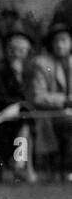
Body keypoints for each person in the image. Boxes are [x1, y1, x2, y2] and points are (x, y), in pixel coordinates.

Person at [0, 23, 39, 182]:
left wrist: (18, 78)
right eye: (14, 50)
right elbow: (0, 97)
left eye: (22, 51)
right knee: (26, 120)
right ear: (8, 49)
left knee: (25, 123)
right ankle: (23, 165)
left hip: (17, 117)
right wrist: (20, 104)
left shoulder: (29, 70)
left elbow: (31, 96)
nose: (17, 54)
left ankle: (20, 163)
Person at [30, 20, 72, 181]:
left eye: (64, 40)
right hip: (50, 114)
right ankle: (66, 168)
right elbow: (38, 96)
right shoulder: (42, 64)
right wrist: (66, 101)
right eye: (57, 41)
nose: (61, 45)